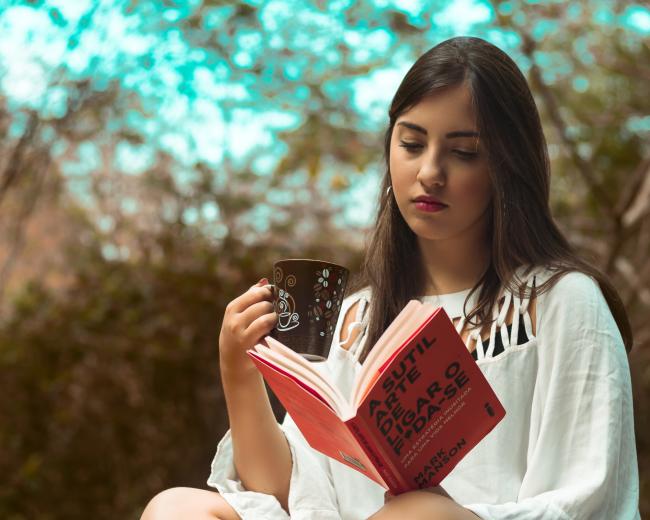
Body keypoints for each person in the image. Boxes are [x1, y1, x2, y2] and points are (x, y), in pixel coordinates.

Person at [140, 36, 640, 520]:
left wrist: (444, 514)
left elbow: (590, 499)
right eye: (412, 144)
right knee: (175, 509)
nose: (430, 171)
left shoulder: (561, 301)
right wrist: (239, 372)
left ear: (507, 166)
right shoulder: (358, 314)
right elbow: (291, 498)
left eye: (464, 152)